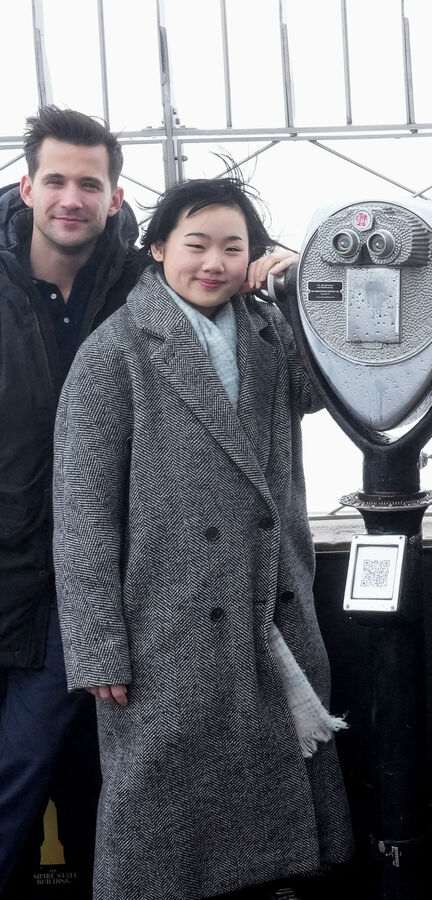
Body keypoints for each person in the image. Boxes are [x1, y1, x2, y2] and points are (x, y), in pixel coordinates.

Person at [52, 175, 353, 899]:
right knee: (160, 829)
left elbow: (335, 385)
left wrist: (309, 288)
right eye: (196, 244)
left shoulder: (271, 333)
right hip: (163, 627)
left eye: (233, 247)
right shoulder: (113, 352)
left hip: (267, 609)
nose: (213, 262)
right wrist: (96, 646)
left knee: (273, 833)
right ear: (158, 248)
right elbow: (82, 511)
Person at [0, 105, 144, 896]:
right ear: (26, 188)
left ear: (115, 198)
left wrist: (270, 261)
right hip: (7, 564)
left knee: (39, 772)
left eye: (89, 185)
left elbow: (217, 264)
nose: (71, 199)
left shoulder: (142, 285)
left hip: (81, 580)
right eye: (55, 180)